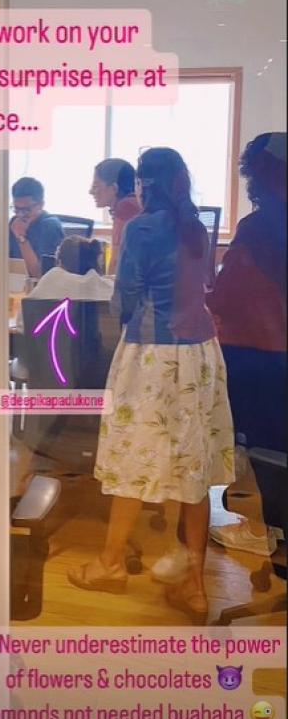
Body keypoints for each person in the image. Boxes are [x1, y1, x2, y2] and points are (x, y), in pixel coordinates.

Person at [69, 148, 234, 621]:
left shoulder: (142, 228)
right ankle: (195, 585)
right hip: (201, 354)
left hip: (153, 354)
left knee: (133, 455)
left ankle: (110, 564)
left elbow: (125, 300)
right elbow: (202, 285)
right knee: (193, 464)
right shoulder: (196, 228)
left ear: (143, 184)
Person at [204, 131, 286, 556]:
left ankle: (266, 531)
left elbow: (229, 295)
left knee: (261, 443)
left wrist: (205, 295)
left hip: (256, 352)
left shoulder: (257, 229)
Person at [15, 236, 113, 332]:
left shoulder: (52, 280)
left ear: (59, 261)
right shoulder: (108, 288)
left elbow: (22, 323)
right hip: (96, 342)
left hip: (48, 342)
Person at [89, 158, 140, 273]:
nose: (91, 191)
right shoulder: (133, 203)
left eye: (96, 186)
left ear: (114, 188)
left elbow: (117, 261)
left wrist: (106, 282)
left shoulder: (126, 208)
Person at [9, 177, 64, 281]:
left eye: (26, 210)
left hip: (42, 287)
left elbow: (40, 274)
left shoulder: (50, 226)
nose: (20, 214)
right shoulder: (14, 223)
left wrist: (21, 238)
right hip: (17, 283)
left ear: (41, 205)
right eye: (16, 209)